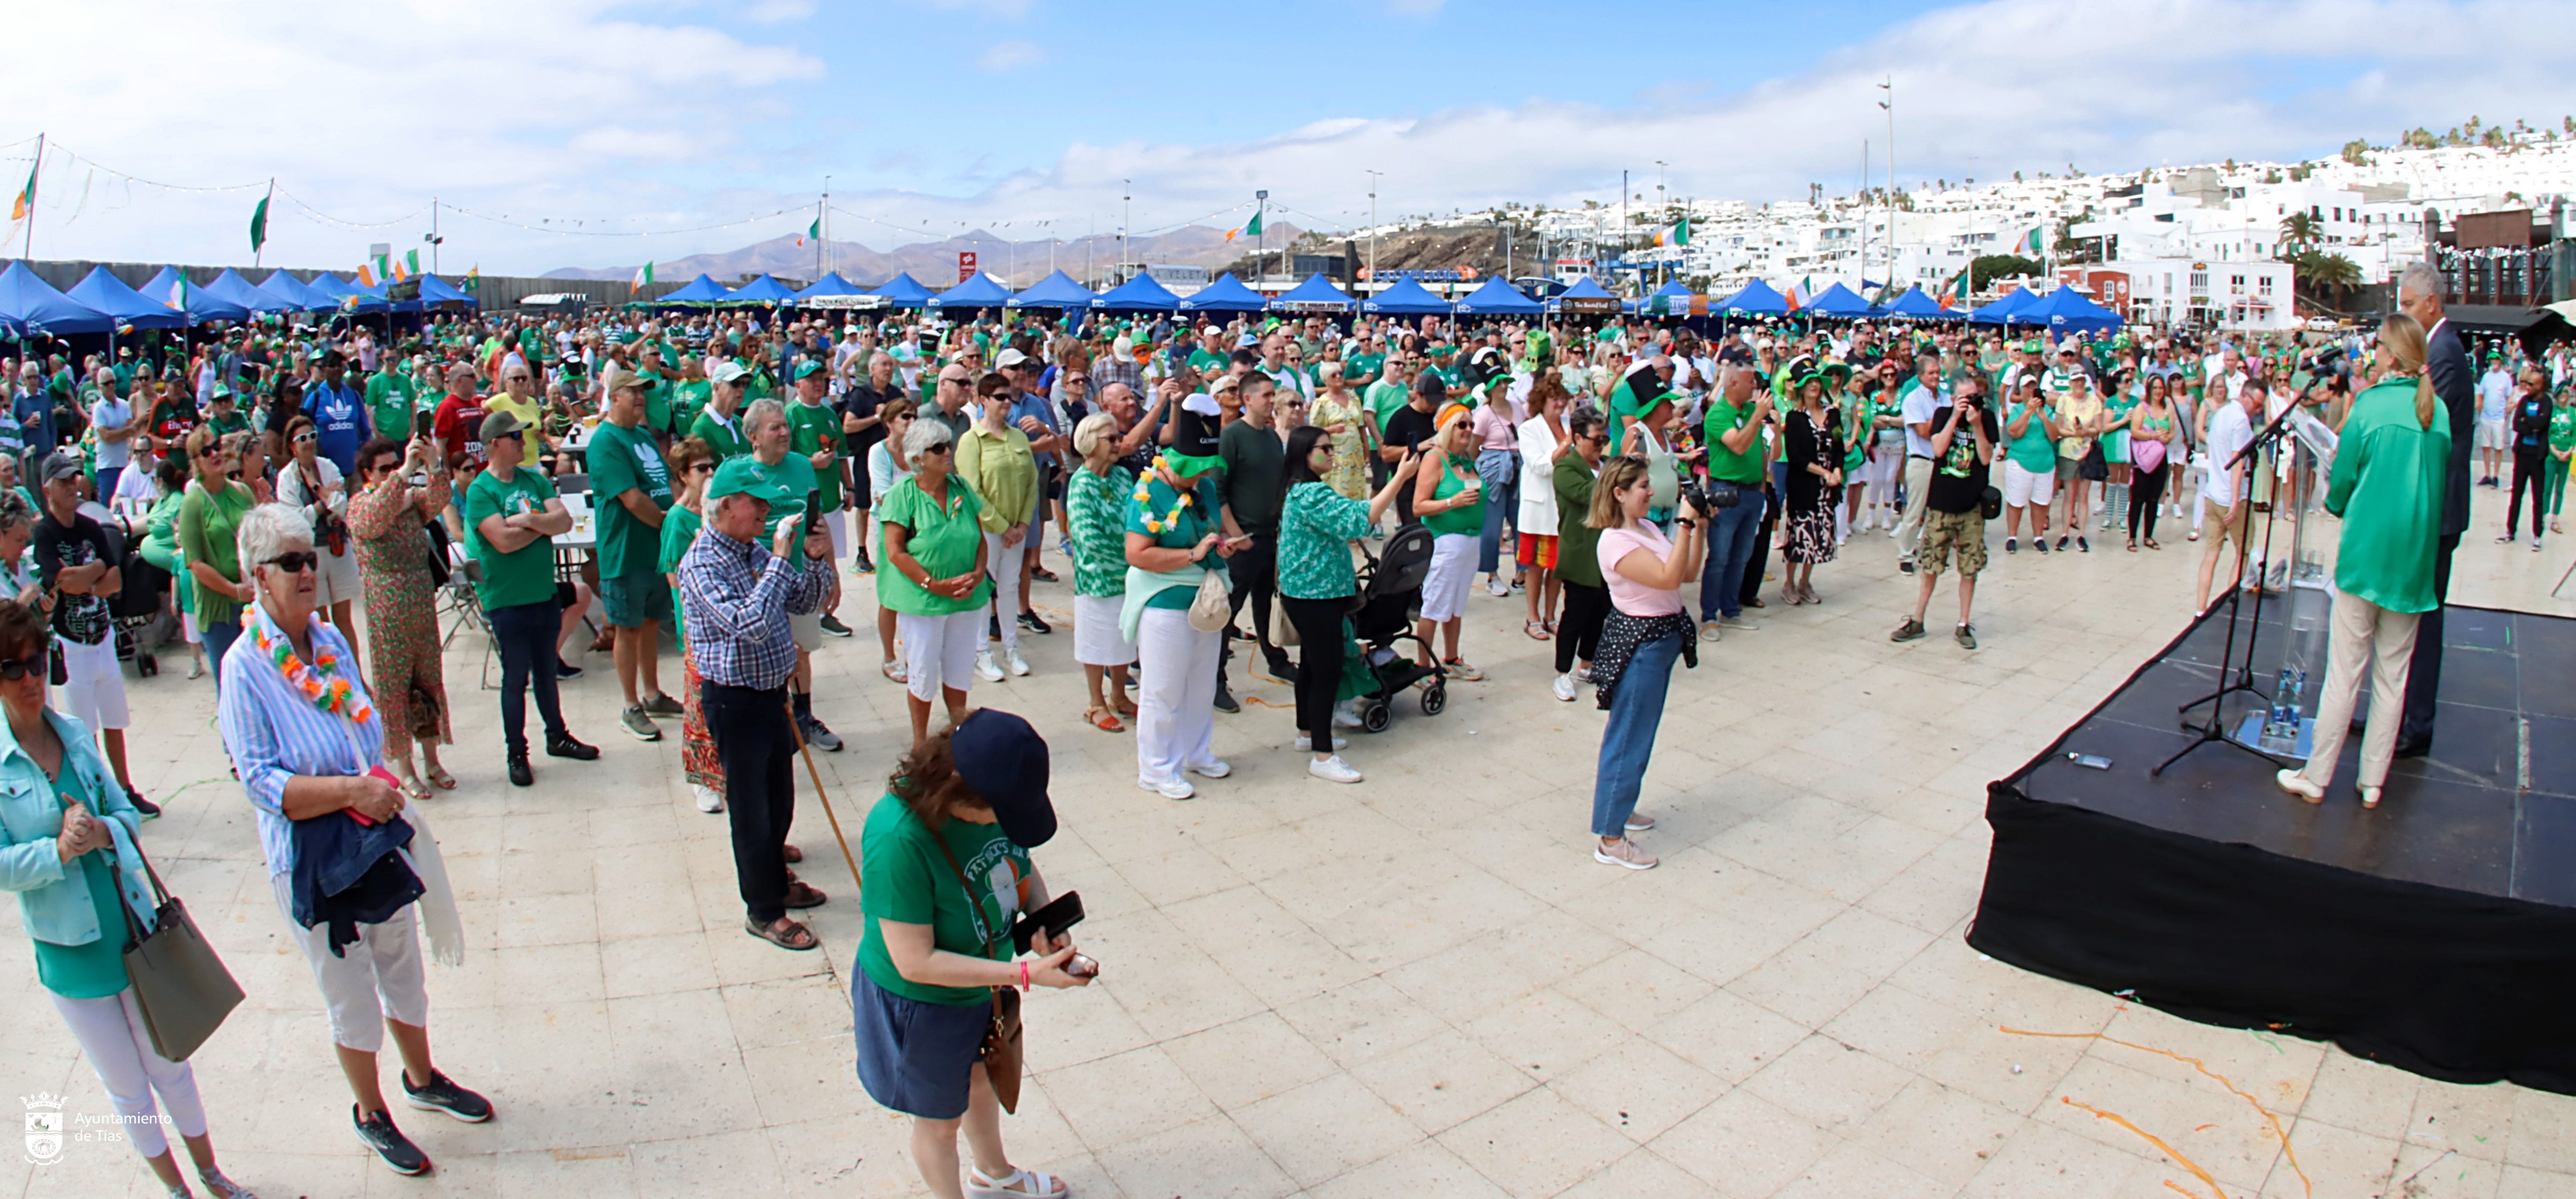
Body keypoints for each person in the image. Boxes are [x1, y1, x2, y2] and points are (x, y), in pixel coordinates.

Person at [216, 503, 489, 1177]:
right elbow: (258, 781)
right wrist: (347, 791)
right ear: (259, 575)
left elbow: (360, 723)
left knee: (402, 960)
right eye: (290, 561)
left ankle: (422, 1077)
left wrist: (372, 779)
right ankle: (370, 1112)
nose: (308, 570)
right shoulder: (244, 665)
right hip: (315, 857)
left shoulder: (331, 640)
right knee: (349, 985)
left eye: (311, 556)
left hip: (373, 835)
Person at [0, 597, 258, 1198]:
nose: (30, 679)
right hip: (70, 950)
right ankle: (176, 1188)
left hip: (131, 928)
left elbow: (126, 813)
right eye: (12, 669)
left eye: (37, 663)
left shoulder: (73, 733)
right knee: (126, 1085)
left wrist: (105, 831)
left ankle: (212, 1173)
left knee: (170, 1063)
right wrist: (59, 852)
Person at [853, 711, 1088, 1199]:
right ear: (960, 794)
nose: (1007, 823)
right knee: (939, 1123)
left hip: (980, 981)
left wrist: (1043, 916)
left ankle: (994, 1175)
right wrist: (1023, 973)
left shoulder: (993, 805)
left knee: (980, 1081)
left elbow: (1019, 857)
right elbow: (914, 961)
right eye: (1002, 813)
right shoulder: (898, 836)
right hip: (922, 1003)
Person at [2277, 316, 2451, 810]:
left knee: (2344, 672)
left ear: (2391, 356)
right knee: (2393, 675)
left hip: (2367, 553)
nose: (2371, 354)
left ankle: (2318, 774)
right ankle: (2373, 780)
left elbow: (2344, 476)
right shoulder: (2435, 412)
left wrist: (2337, 504)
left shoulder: (2372, 405)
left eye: (2378, 348)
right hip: (2414, 559)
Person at [677, 457, 835, 950]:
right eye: (756, 502)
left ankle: (775, 880)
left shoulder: (752, 552)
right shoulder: (702, 562)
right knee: (751, 809)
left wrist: (812, 557)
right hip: (734, 702)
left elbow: (807, 601)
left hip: (771, 696)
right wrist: (780, 557)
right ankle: (763, 910)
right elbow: (750, 622)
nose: (766, 511)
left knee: (779, 799)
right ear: (726, 507)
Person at [461, 410, 599, 785]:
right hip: (507, 598)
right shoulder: (481, 491)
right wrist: (541, 526)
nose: (523, 443)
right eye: (515, 438)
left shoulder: (534, 480)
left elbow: (565, 522)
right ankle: (516, 752)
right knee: (515, 678)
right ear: (495, 444)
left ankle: (557, 735)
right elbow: (502, 543)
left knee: (546, 673)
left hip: (542, 590)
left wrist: (527, 522)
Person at [1277, 425, 1417, 783]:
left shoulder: (1305, 491)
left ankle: (1307, 733)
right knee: (1326, 672)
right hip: (1315, 597)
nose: (1331, 453)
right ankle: (1322, 756)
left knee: (1311, 667)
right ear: (1304, 455)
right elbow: (1363, 516)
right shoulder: (1310, 494)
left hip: (1310, 594)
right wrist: (1400, 477)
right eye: (1323, 449)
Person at [1586, 455, 1707, 870]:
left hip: (1661, 639)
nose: (1651, 491)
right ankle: (1610, 837)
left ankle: (1620, 808)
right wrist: (1687, 524)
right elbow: (1667, 579)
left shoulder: (1650, 527)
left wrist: (1699, 528)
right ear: (1619, 494)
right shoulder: (1615, 542)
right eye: (1642, 486)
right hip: (1641, 644)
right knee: (1629, 737)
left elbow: (1687, 573)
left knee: (1641, 732)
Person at [1123, 396, 1239, 801]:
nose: (1201, 475)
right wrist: (1190, 555)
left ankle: (1196, 752)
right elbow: (1137, 553)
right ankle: (1156, 768)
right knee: (1164, 688)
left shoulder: (1204, 486)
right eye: (1192, 469)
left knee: (1202, 682)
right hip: (1165, 603)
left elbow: (1210, 529)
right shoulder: (1148, 489)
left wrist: (1220, 546)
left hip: (1206, 600)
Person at [32, 450, 149, 816]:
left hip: (102, 638)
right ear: (47, 487)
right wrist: (94, 572)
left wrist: (90, 575)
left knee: (115, 720)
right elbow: (61, 581)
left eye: (74, 479)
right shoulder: (44, 532)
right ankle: (98, 795)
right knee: (85, 729)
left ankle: (125, 788)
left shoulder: (90, 528)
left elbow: (113, 581)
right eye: (64, 481)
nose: (72, 486)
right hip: (72, 642)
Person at [346, 435, 454, 801]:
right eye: (386, 469)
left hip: (420, 605)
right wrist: (405, 474)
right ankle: (404, 767)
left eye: (397, 465)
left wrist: (433, 465)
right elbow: (375, 520)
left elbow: (439, 500)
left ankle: (432, 759)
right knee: (394, 689)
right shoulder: (360, 506)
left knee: (428, 680)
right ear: (367, 474)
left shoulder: (408, 503)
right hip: (387, 612)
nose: (395, 473)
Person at [879, 419, 994, 749]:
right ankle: (920, 744)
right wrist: (932, 584)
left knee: (959, 671)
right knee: (923, 672)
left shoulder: (960, 487)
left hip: (965, 598)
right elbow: (895, 551)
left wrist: (979, 572)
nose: (948, 452)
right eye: (939, 448)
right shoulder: (903, 494)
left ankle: (958, 739)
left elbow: (979, 539)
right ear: (918, 458)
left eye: (949, 445)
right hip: (924, 602)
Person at [588, 369, 685, 741]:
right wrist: (670, 524)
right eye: (633, 392)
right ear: (614, 397)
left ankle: (653, 693)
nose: (642, 398)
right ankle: (631, 705)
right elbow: (631, 499)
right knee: (627, 628)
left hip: (655, 551)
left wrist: (677, 513)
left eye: (644, 392)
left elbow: (666, 483)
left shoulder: (643, 436)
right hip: (626, 550)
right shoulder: (606, 441)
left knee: (649, 623)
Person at [1891, 373, 1999, 650]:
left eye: (1975, 396)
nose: (1972, 402)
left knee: (1970, 567)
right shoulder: (1941, 414)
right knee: (1931, 565)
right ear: (1953, 398)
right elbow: (1938, 449)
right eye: (1965, 397)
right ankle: (1918, 619)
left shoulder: (1986, 418)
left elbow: (1986, 458)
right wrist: (1955, 417)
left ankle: (1963, 623)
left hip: (1972, 505)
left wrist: (1976, 425)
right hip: (1941, 503)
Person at [657, 437, 726, 813]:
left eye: (712, 467)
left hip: (722, 627)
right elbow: (674, 577)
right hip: (698, 625)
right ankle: (702, 779)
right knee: (699, 707)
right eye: (701, 469)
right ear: (684, 475)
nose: (709, 474)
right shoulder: (678, 520)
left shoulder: (718, 512)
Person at [956, 372, 1039, 682]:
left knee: (1009, 587)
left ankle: (1011, 648)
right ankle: (981, 652)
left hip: (1016, 527)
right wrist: (1004, 526)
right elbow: (972, 490)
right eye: (1000, 397)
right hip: (987, 530)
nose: (1007, 402)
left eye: (1009, 397)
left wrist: (1022, 524)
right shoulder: (971, 440)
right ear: (983, 400)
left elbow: (1032, 483)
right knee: (984, 589)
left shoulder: (1018, 437)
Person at [1065, 414, 1138, 734]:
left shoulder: (1122, 475)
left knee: (1124, 639)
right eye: (1111, 439)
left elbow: (1140, 515)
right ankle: (1096, 703)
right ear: (1091, 445)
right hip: (1098, 577)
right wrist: (1129, 559)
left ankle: (1120, 695)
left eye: (1117, 437)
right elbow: (1087, 538)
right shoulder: (1081, 484)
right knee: (1097, 641)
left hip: (1131, 573)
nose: (1118, 443)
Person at [276, 415, 365, 656]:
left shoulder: (328, 467)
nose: (308, 442)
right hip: (311, 554)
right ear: (292, 446)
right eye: (302, 438)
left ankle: (356, 676)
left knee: (344, 619)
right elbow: (295, 521)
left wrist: (317, 487)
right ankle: (331, 676)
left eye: (312, 436)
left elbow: (342, 506)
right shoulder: (286, 479)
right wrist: (323, 501)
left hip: (338, 549)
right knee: (321, 620)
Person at [175, 425, 257, 684]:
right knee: (231, 686)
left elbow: (259, 541)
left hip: (251, 601)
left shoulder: (242, 492)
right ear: (196, 461)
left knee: (260, 682)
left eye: (217, 447)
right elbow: (195, 564)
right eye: (206, 451)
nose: (215, 454)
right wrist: (234, 591)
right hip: (219, 608)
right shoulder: (192, 503)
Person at [1411, 402, 1487, 681]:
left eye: (1471, 425)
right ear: (1446, 428)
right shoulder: (1435, 458)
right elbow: (1418, 506)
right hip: (1445, 543)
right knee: (1434, 605)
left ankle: (1452, 658)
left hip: (1470, 542)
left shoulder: (1467, 459)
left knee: (1456, 606)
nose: (1469, 430)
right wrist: (1451, 502)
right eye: (1461, 424)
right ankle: (1422, 667)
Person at [1698, 366, 1769, 632]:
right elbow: (1738, 445)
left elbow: (1759, 449)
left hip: (1752, 492)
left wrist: (1763, 486)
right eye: (1751, 382)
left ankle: (1731, 609)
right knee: (1720, 556)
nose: (1755, 387)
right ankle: (1709, 616)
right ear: (1733, 383)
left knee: (1741, 556)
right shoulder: (1718, 414)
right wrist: (1758, 417)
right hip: (1726, 492)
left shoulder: (1751, 411)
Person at [1552, 408, 1611, 702]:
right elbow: (1588, 495)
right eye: (1596, 440)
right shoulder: (1566, 468)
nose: (1601, 446)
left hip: (1607, 553)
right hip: (1580, 551)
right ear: (1577, 438)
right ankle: (1562, 672)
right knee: (1575, 614)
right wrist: (1615, 476)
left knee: (1600, 611)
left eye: (1605, 440)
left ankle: (1588, 663)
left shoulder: (1607, 465)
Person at [2194, 378, 2264, 612]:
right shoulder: (2241, 422)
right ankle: (2227, 608)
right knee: (2243, 552)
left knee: (2211, 554)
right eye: (2257, 404)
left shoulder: (2222, 413)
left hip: (2213, 495)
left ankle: (2201, 609)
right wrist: (2236, 501)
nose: (2258, 410)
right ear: (2246, 397)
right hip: (2231, 498)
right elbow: (2237, 463)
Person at [1780, 373, 1843, 605]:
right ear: (1801, 389)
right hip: (1804, 484)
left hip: (1827, 487)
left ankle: (1805, 582)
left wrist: (1837, 470)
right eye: (1809, 383)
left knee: (1819, 536)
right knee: (1800, 535)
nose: (1814, 386)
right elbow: (1796, 456)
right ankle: (1789, 582)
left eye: (1817, 382)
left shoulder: (1832, 414)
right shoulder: (1795, 418)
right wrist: (1823, 473)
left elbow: (1838, 446)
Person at [1516, 374, 1571, 639]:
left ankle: (1551, 615)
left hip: (1565, 508)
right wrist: (1566, 446)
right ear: (1542, 401)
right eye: (1554, 399)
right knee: (1536, 565)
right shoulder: (1529, 429)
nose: (1560, 404)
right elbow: (1540, 466)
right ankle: (1532, 617)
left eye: (1563, 398)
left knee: (1559, 566)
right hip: (1540, 509)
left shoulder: (1570, 425)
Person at [869, 399, 918, 680]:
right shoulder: (879, 452)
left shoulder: (917, 451)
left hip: (918, 528)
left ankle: (913, 651)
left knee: (913, 591)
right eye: (905, 418)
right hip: (889, 527)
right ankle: (889, 656)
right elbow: (883, 493)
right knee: (890, 595)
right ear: (890, 423)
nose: (911, 422)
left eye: (914, 417)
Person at [1470, 375, 1522, 597]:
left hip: (1518, 467)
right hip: (1493, 470)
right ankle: (1492, 574)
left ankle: (1522, 574)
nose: (1503, 386)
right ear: (1490, 389)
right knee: (1492, 527)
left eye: (1505, 382)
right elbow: (1473, 450)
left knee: (1521, 523)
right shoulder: (1484, 415)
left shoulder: (1518, 408)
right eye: (1498, 383)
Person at [2000, 375, 2059, 554]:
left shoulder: (2047, 410)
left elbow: (2054, 436)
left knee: (2041, 502)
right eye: (2027, 387)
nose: (2030, 390)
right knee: (2016, 501)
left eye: (2033, 387)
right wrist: (2028, 412)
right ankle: (2012, 536)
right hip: (2020, 461)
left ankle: (2038, 537)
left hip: (2045, 462)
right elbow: (2014, 432)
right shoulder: (2018, 410)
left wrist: (2043, 417)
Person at [2124, 374, 2179, 551]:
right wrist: (2153, 436)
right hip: (2143, 457)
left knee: (2154, 498)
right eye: (2155, 388)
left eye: (2161, 388)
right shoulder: (2142, 408)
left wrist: (2166, 438)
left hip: (2161, 457)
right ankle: (2132, 536)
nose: (2158, 391)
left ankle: (2149, 535)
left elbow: (2173, 432)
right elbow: (2135, 431)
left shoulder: (2168, 407)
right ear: (2150, 389)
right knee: (2138, 497)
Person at [2053, 369, 2104, 553]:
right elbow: (2059, 428)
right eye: (2076, 381)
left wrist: (2086, 431)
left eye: (2082, 381)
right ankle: (2065, 533)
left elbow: (2098, 427)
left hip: (2087, 451)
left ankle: (2081, 534)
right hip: (2068, 451)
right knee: (2069, 495)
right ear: (2071, 383)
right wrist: (2075, 432)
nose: (2079, 384)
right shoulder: (2063, 400)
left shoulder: (2094, 401)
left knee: (2083, 495)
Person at [2501, 366, 2551, 549]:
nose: (2528, 386)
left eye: (2532, 384)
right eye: (2527, 383)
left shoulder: (2547, 403)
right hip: (2522, 453)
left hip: (2537, 456)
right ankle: (2510, 531)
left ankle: (2538, 534)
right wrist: (2532, 424)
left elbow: (2543, 423)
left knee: (2538, 497)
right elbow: (2516, 424)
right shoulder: (2523, 401)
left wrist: (2528, 421)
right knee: (2517, 495)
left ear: (2540, 385)